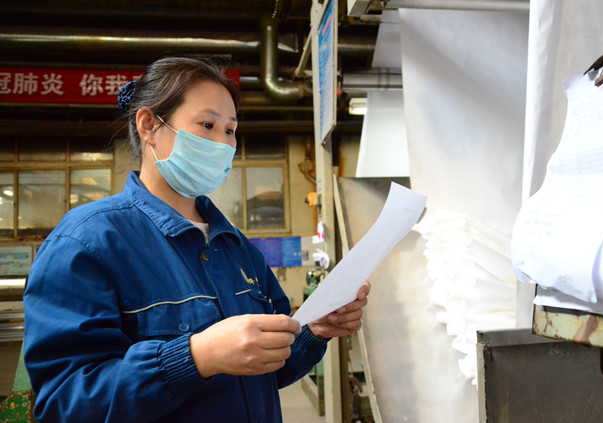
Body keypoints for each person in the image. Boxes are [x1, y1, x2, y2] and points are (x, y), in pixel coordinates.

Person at [23, 56, 370, 423]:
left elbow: (271, 368)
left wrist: (313, 330)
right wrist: (196, 358)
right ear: (148, 125)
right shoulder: (87, 242)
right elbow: (64, 402)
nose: (222, 143)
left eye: (230, 130)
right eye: (207, 125)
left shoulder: (235, 246)